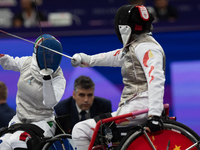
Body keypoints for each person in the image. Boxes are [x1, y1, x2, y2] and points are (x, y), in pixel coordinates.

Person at [71, 4, 165, 150]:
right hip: (137, 107)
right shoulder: (137, 45)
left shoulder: (146, 47)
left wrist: (154, 115)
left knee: (80, 130)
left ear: (124, 28)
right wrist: (88, 60)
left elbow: (156, 79)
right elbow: (116, 57)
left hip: (141, 108)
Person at [0, 34, 66, 149]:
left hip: (43, 122)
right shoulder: (27, 63)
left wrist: (47, 78)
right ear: (37, 54)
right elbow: (9, 62)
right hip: (20, 119)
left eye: (53, 56)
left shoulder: (58, 78)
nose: (50, 60)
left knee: (19, 140)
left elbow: (50, 102)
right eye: (46, 56)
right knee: (3, 142)